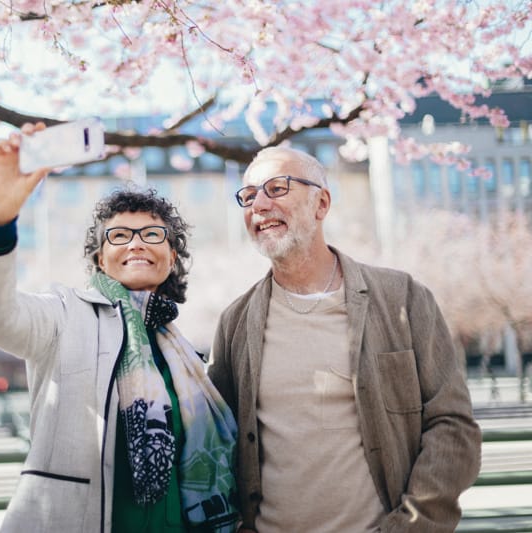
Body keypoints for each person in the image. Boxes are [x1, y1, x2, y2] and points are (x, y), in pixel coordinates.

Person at [0, 123, 239, 532]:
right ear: (98, 259)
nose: (136, 243)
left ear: (172, 254)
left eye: (152, 233)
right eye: (119, 235)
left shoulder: (185, 354)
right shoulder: (64, 316)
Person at [207, 146, 482, 532]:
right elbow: (218, 444)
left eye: (277, 188)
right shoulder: (235, 323)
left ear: (321, 203)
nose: (260, 205)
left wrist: (412, 525)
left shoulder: (402, 299)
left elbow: (453, 426)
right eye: (249, 196)